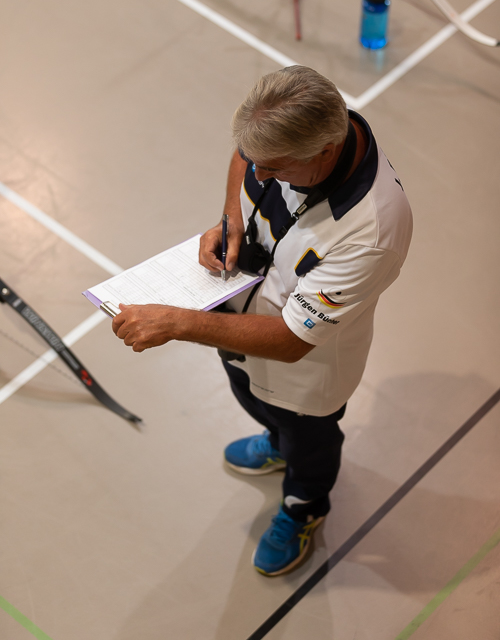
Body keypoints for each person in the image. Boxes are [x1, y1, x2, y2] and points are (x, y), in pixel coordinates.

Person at [112, 66, 413, 576]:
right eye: (258, 163)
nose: (260, 174)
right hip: (239, 328)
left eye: (273, 169)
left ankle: (304, 506)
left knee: (308, 442)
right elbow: (244, 157)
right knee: (256, 403)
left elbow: (293, 341)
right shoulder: (291, 140)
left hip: (304, 374)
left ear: (324, 152)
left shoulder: (372, 231)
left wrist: (179, 323)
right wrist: (232, 215)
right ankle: (276, 445)